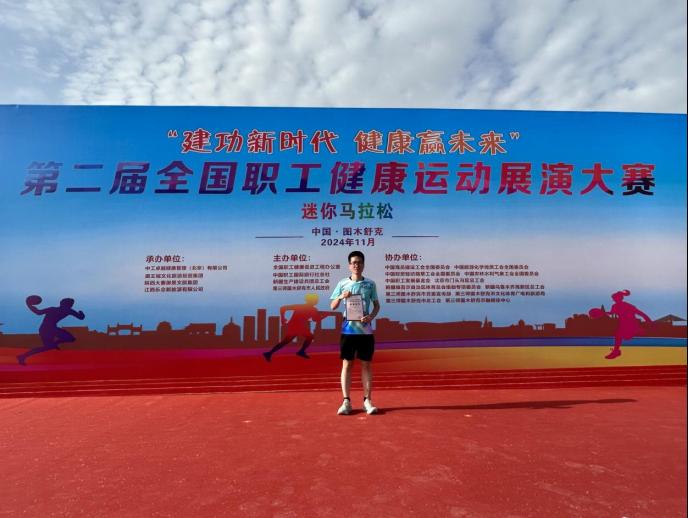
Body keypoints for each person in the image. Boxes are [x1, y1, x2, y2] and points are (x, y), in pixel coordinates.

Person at [330, 251, 381, 415]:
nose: (356, 265)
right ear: (349, 265)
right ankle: (346, 401)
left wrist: (371, 316)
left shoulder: (370, 284)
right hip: (348, 330)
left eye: (359, 262)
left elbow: (377, 306)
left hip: (365, 331)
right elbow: (333, 306)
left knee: (366, 364)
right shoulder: (342, 283)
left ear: (363, 264)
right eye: (353, 262)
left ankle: (367, 401)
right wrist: (341, 296)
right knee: (347, 364)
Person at [17, 295, 85, 365]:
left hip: (46, 329)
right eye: (71, 304)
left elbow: (38, 312)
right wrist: (81, 312)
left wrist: (29, 305)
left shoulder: (54, 309)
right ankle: (23, 356)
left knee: (51, 346)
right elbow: (81, 317)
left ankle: (23, 356)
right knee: (69, 339)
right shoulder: (68, 310)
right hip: (49, 329)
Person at [263, 293, 327, 361]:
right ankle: (300, 352)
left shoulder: (308, 308)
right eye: (316, 299)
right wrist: (325, 316)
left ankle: (269, 353)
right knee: (308, 337)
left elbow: (315, 319)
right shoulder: (312, 309)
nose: (317, 301)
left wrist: (282, 318)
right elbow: (316, 320)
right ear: (312, 300)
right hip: (296, 326)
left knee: (287, 341)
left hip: (296, 325)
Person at [604, 290, 652, 359]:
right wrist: (603, 313)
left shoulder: (628, 305)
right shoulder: (614, 306)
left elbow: (640, 312)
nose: (614, 300)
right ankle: (616, 351)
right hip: (623, 324)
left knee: (624, 336)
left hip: (631, 324)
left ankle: (639, 330)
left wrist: (648, 320)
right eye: (613, 299)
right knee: (620, 335)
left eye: (615, 298)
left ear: (620, 298)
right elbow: (611, 313)